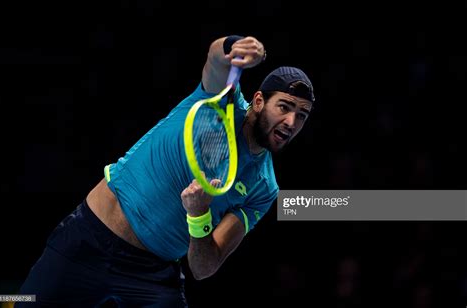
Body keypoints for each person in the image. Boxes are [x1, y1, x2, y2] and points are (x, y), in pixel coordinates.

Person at [17, 35, 315, 307]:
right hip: (88, 240)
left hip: (152, 274)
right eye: (285, 107)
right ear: (260, 101)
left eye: (301, 115)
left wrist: (198, 216)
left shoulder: (264, 188)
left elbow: (203, 268)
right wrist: (235, 46)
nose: (291, 122)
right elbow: (215, 58)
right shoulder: (219, 100)